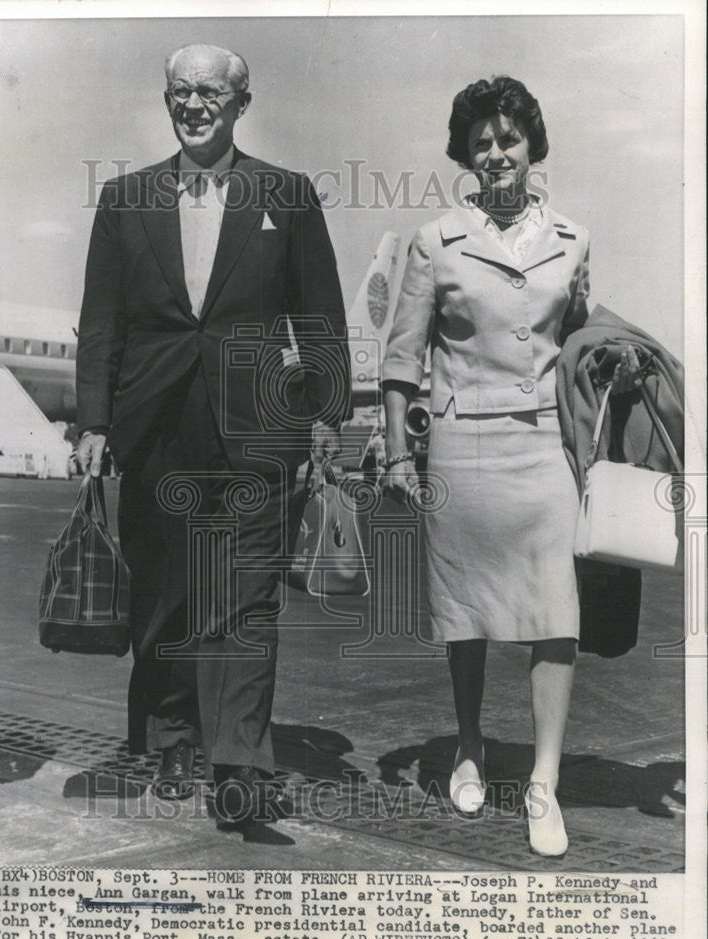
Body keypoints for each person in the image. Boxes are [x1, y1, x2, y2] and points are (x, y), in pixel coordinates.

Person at [75, 44, 351, 827]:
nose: (194, 106)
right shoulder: (125, 198)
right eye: (180, 92)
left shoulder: (285, 195)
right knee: (166, 592)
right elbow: (101, 323)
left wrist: (327, 414)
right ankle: (171, 735)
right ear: (167, 100)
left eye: (210, 94)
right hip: (154, 422)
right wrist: (94, 421)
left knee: (245, 600)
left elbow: (319, 314)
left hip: (258, 427)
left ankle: (238, 762)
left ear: (241, 103)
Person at [381, 76, 634, 857]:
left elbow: (582, 340)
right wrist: (397, 453)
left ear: (531, 148)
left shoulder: (574, 238)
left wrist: (614, 371)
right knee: (466, 614)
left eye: (508, 139)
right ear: (464, 153)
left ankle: (542, 783)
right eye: (481, 142)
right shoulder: (433, 242)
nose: (495, 153)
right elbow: (400, 360)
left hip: (545, 452)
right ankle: (466, 746)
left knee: (553, 615)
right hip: (463, 448)